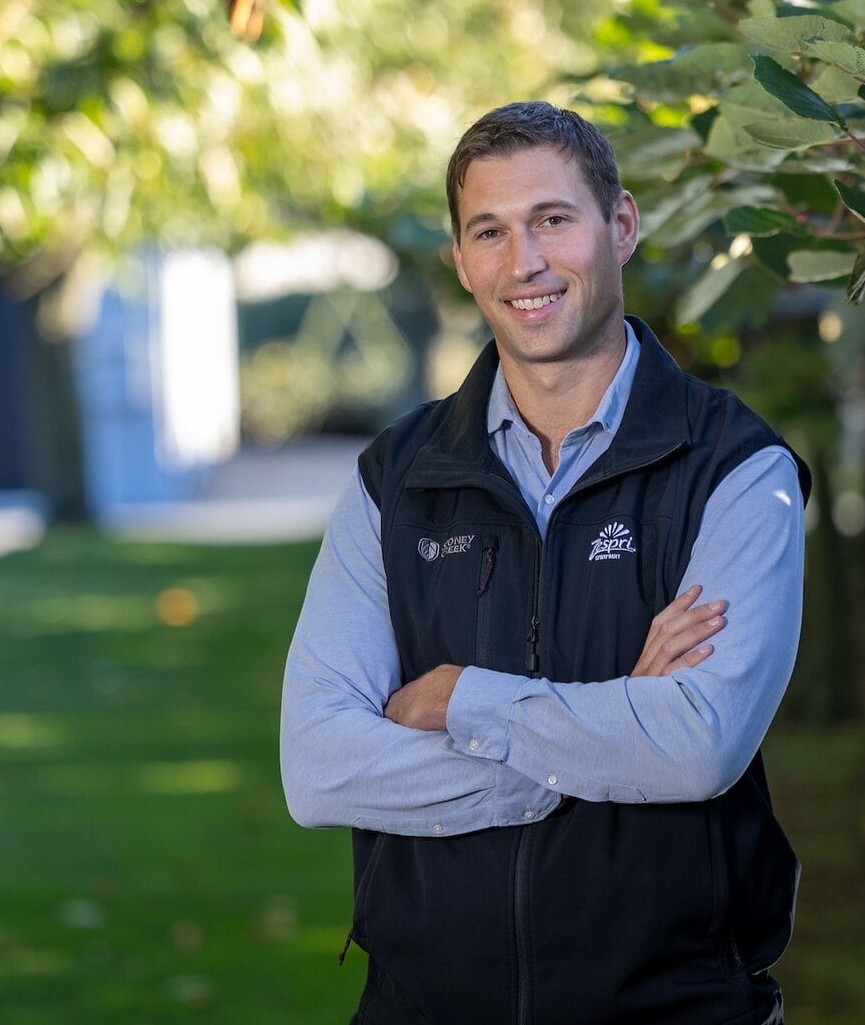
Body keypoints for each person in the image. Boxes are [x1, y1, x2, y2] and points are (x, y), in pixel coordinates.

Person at [279, 101, 809, 1024]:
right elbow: (318, 766)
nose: (522, 262)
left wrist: (457, 704)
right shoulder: (394, 483)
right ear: (460, 259)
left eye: (553, 220)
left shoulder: (734, 469)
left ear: (623, 224)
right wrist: (604, 736)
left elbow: (698, 745)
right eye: (490, 231)